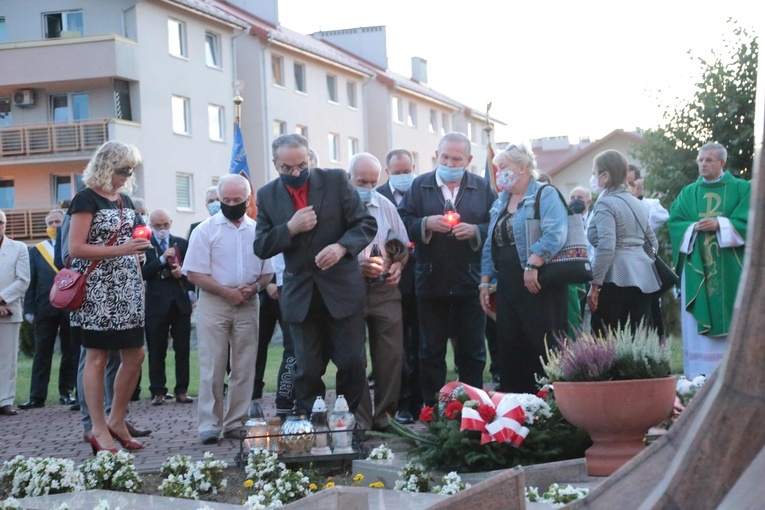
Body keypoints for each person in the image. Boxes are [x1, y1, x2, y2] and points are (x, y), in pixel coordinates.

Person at [253, 133, 376, 418]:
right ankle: (313, 426)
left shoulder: (334, 181)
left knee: (351, 362)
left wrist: (341, 247)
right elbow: (260, 246)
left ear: (309, 158)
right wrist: (290, 228)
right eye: (287, 168)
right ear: (275, 164)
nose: (296, 173)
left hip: (342, 290)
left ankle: (348, 423)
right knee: (306, 368)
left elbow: (365, 223)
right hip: (300, 294)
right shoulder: (267, 195)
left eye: (301, 165)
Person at [399, 132, 496, 405]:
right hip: (431, 280)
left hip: (470, 281)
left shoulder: (481, 187)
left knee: (473, 352)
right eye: (445, 157)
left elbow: (496, 224)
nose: (450, 164)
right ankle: (434, 411)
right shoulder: (420, 186)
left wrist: (476, 230)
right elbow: (401, 220)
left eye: (456, 159)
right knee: (430, 352)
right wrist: (426, 223)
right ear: (436, 156)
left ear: (469, 159)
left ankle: (473, 407)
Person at [67, 141, 150, 454]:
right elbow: (75, 248)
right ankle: (97, 428)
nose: (126, 176)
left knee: (135, 354)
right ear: (105, 167)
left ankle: (117, 419)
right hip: (96, 288)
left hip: (127, 286)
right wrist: (121, 250)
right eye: (121, 170)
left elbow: (134, 240)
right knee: (97, 357)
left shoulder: (125, 200)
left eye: (130, 170)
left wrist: (138, 268)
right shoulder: (85, 198)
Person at [184, 174, 273, 444]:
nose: (231, 204)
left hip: (248, 302)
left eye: (237, 200)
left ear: (248, 200)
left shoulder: (258, 230)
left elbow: (267, 272)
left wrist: (254, 288)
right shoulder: (205, 230)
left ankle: (237, 421)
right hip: (214, 303)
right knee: (213, 364)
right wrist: (226, 292)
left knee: (245, 365)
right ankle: (209, 424)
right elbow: (194, 273)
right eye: (226, 200)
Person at [479, 144, 569, 393]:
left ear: (522, 167)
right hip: (508, 286)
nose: (499, 173)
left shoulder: (545, 193)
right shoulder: (501, 200)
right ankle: (517, 409)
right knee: (510, 346)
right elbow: (490, 243)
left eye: (504, 167)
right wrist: (485, 282)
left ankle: (551, 407)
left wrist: (532, 263)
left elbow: (556, 233)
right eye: (498, 168)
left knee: (542, 346)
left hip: (540, 284)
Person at [668, 142, 750, 378]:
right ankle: (697, 377)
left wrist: (721, 224)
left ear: (722, 163)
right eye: (700, 160)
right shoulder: (688, 192)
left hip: (731, 270)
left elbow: (751, 221)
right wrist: (694, 226)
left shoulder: (742, 189)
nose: (702, 164)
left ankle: (734, 375)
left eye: (709, 160)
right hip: (696, 269)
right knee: (697, 327)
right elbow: (675, 222)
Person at [350, 152, 408, 433]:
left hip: (385, 289)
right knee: (353, 357)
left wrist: (397, 266)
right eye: (362, 181)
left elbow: (403, 246)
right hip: (350, 291)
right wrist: (355, 265)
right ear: (349, 178)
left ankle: (385, 417)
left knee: (391, 356)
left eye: (373, 181)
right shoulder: (337, 207)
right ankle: (360, 420)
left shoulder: (385, 205)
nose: (368, 188)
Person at [586, 150, 660, 336]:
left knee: (607, 342)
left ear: (606, 175)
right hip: (643, 277)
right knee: (637, 342)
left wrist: (595, 284)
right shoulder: (638, 203)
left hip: (614, 278)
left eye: (595, 173)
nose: (593, 178)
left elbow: (606, 246)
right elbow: (652, 242)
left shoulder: (606, 204)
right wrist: (643, 264)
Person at [376, 148, 420, 424]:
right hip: (386, 281)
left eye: (408, 171)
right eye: (398, 172)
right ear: (388, 171)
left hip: (418, 278)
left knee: (419, 345)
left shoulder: (422, 192)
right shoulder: (377, 195)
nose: (404, 176)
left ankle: (418, 400)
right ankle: (400, 402)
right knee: (395, 348)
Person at [20, 209, 78, 410]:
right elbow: (31, 282)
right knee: (42, 353)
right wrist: (28, 309)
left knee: (70, 351)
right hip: (44, 308)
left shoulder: (73, 247)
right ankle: (37, 396)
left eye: (58, 222)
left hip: (70, 306)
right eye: (51, 222)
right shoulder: (36, 250)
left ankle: (67, 392)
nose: (54, 226)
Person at [142, 208, 194, 405]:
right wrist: (162, 259)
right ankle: (158, 390)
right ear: (151, 225)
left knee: (183, 349)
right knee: (156, 348)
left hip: (180, 302)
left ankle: (182, 389)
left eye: (165, 225)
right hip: (155, 304)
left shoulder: (181, 243)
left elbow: (194, 269)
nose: (162, 229)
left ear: (170, 223)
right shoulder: (146, 246)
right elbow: (144, 272)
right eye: (157, 226)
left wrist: (184, 273)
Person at [0, 210, 31, 417]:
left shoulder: (18, 248)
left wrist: (1, 299)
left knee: (7, 358)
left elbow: (23, 280)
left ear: (5, 224)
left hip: (8, 310)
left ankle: (5, 400)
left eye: (0, 222)